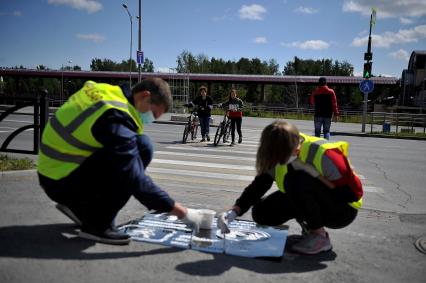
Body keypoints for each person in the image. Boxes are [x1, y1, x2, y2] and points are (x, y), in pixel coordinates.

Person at [38, 78, 204, 245]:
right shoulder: (115, 117)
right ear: (145, 96)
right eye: (153, 114)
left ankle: (79, 208)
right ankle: (98, 226)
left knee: (141, 145)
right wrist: (182, 212)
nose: (150, 119)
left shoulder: (109, 93)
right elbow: (134, 178)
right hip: (60, 181)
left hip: (54, 171)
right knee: (138, 154)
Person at [217, 120, 363, 255]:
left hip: (342, 211)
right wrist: (235, 211)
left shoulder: (323, 153)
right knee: (262, 212)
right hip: (311, 196)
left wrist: (315, 175)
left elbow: (353, 195)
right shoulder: (278, 152)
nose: (277, 162)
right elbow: (259, 185)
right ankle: (309, 225)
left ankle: (319, 236)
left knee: (295, 180)